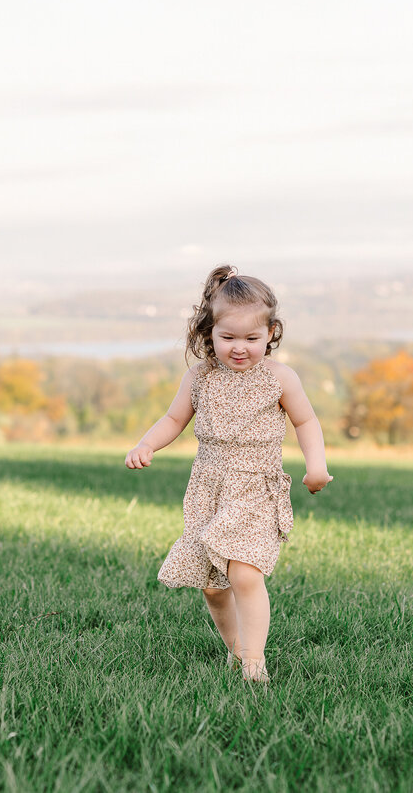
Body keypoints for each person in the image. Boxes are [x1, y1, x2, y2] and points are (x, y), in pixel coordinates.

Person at [124, 265, 332, 683]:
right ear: (209, 333)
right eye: (228, 338)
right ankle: (237, 650)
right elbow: (172, 418)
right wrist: (146, 444)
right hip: (209, 489)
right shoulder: (200, 377)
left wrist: (317, 467)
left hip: (256, 487)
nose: (240, 348)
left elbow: (306, 423)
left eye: (252, 339)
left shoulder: (279, 378)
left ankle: (255, 662)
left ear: (271, 333)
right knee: (213, 584)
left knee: (243, 572)